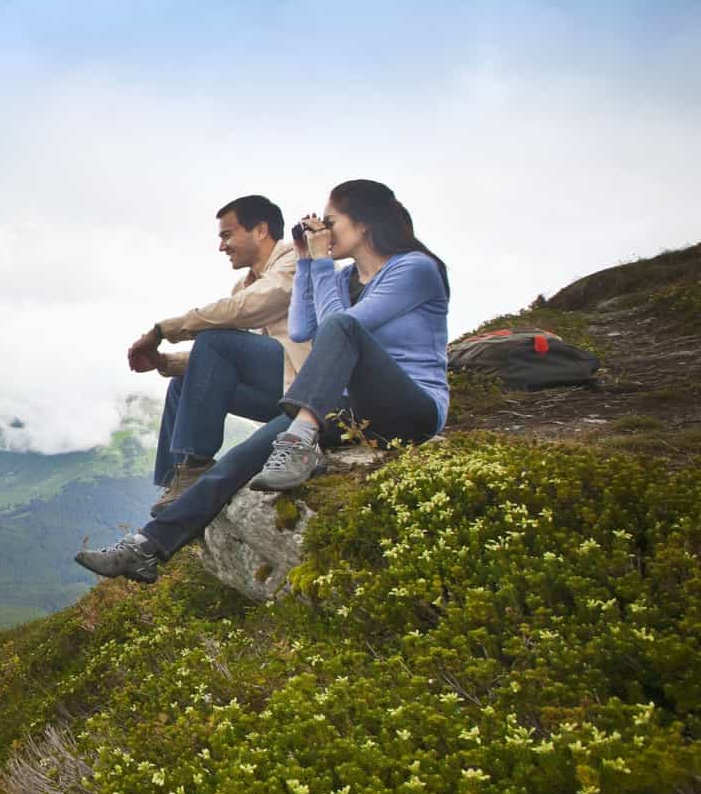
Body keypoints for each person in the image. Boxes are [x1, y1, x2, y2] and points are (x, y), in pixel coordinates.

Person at [77, 179, 450, 582]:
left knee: (335, 336)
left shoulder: (415, 269)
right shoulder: (342, 280)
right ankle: (146, 547)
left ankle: (298, 440)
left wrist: (318, 261)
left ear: (364, 223)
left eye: (331, 221)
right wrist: (310, 262)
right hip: (351, 407)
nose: (322, 230)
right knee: (237, 461)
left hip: (413, 408)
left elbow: (336, 328)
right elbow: (305, 328)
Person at [129, 196, 308, 517]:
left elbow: (246, 311)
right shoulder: (245, 282)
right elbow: (222, 361)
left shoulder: (294, 260)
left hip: (302, 384)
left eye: (227, 235)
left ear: (261, 230)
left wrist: (162, 330)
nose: (222, 246)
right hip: (274, 386)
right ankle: (178, 481)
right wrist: (166, 363)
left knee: (215, 336)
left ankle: (196, 464)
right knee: (184, 381)